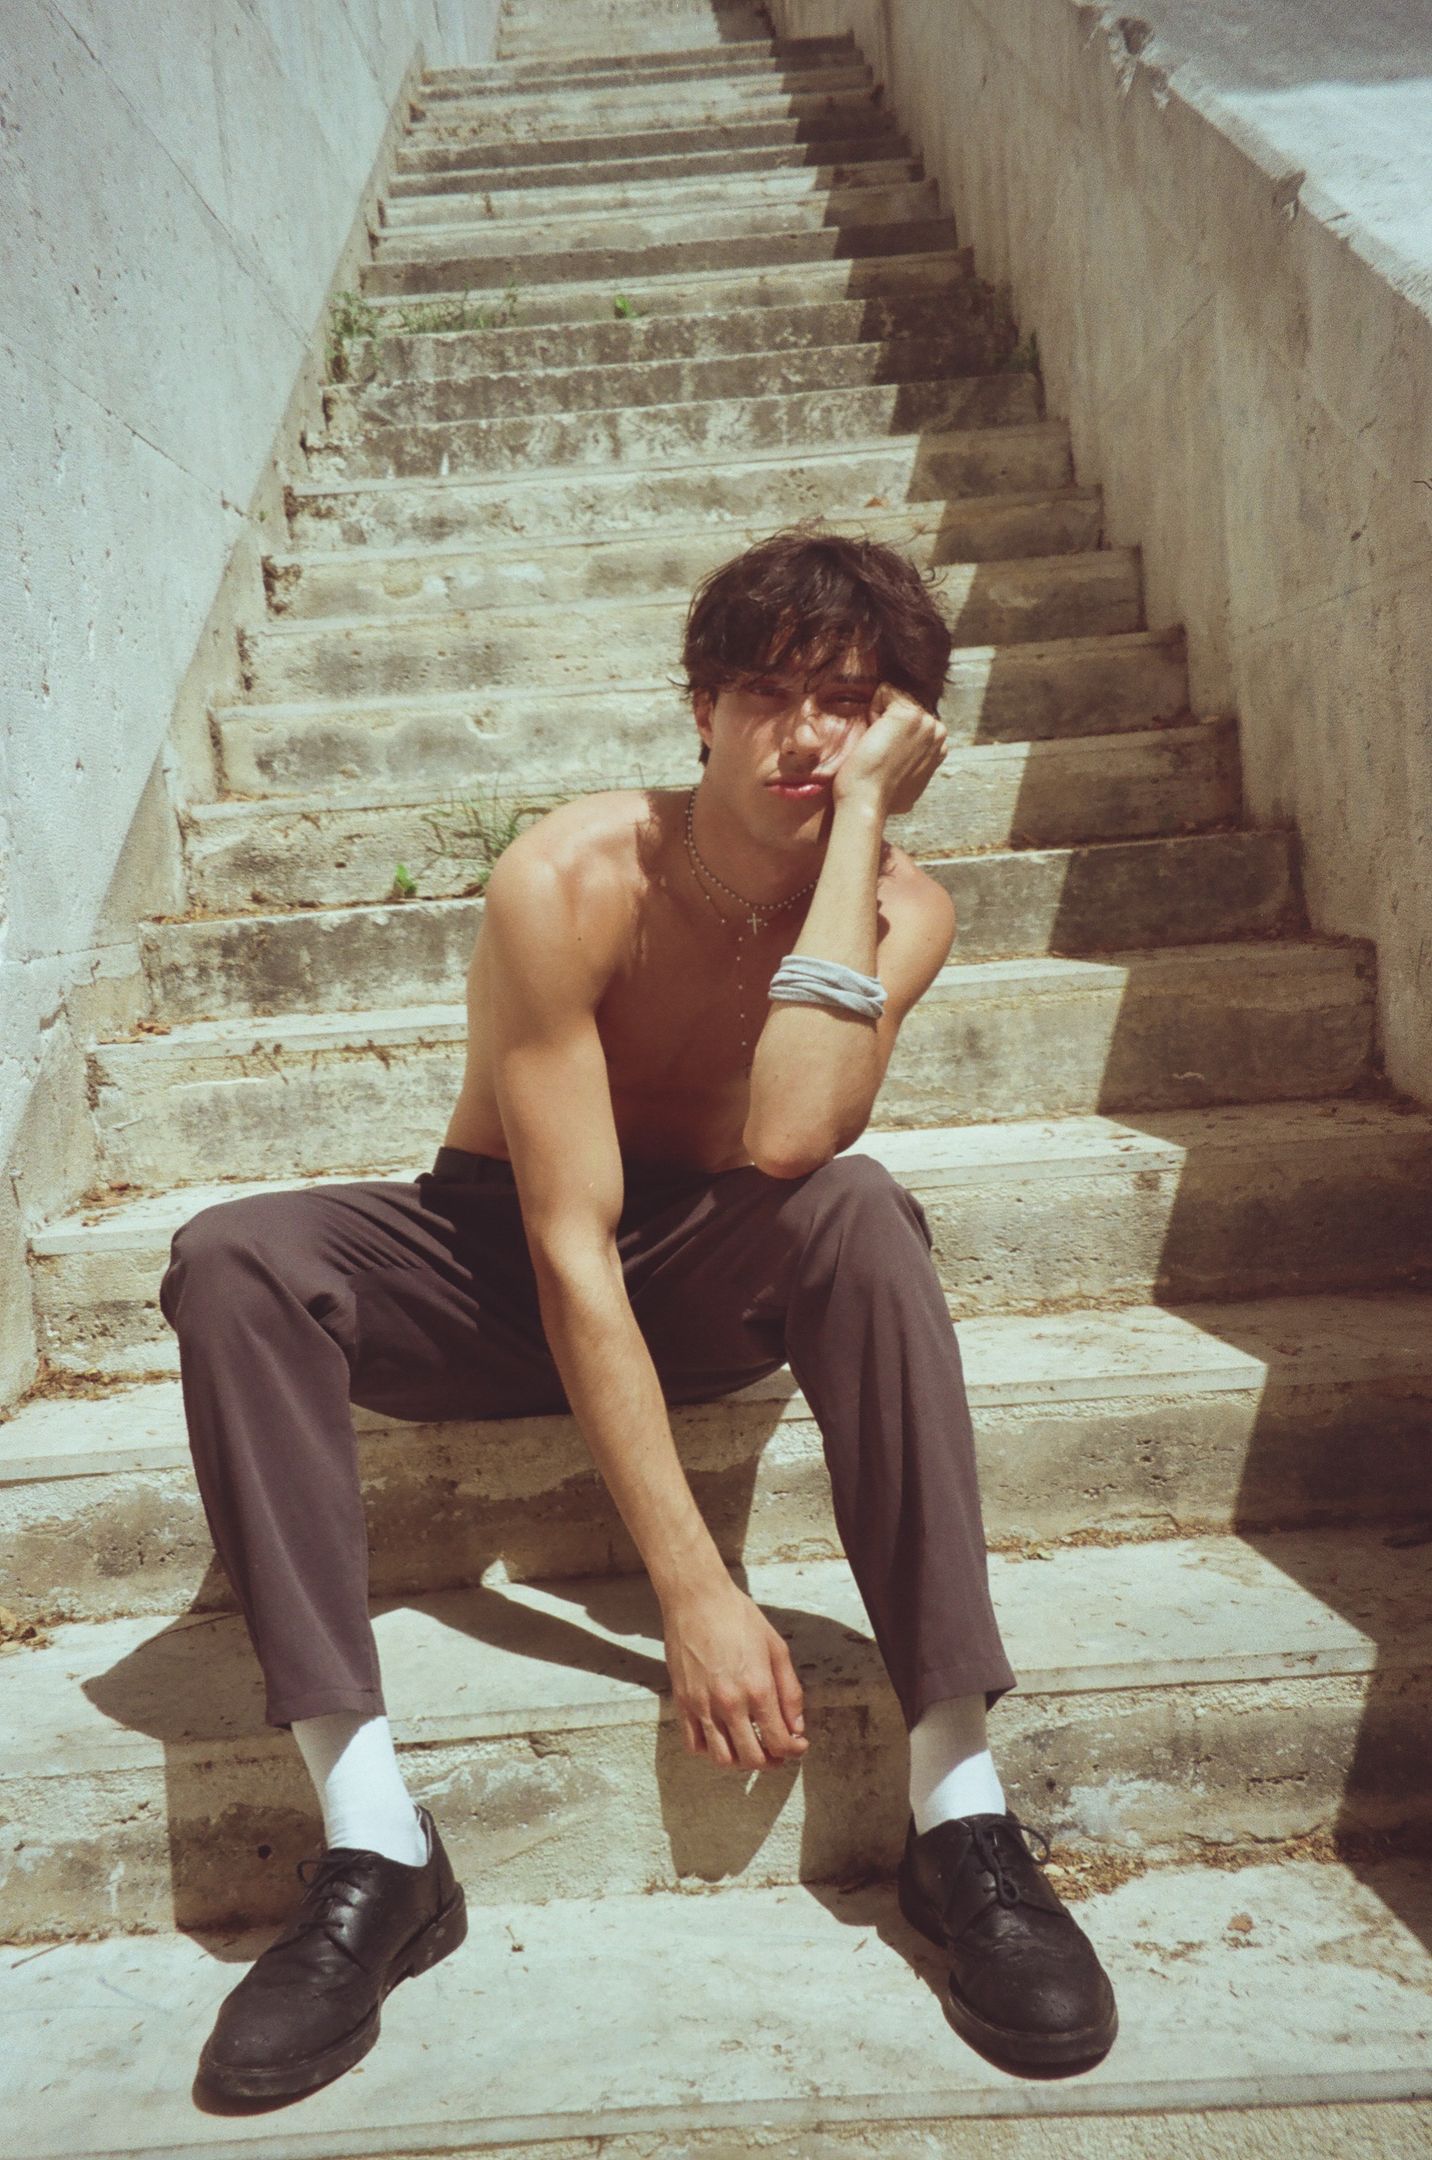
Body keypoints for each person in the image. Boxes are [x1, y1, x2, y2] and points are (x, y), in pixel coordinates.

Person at [160, 529, 1117, 2106]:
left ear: (903, 732)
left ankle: (959, 1815)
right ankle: (376, 1844)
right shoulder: (571, 875)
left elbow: (793, 1135)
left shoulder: (901, 909)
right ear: (700, 708)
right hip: (494, 1258)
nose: (802, 734)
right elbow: (564, 1243)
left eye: (848, 704)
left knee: (863, 1211)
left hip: (711, 1273)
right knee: (233, 1256)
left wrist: (859, 828)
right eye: (766, 692)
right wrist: (694, 1588)